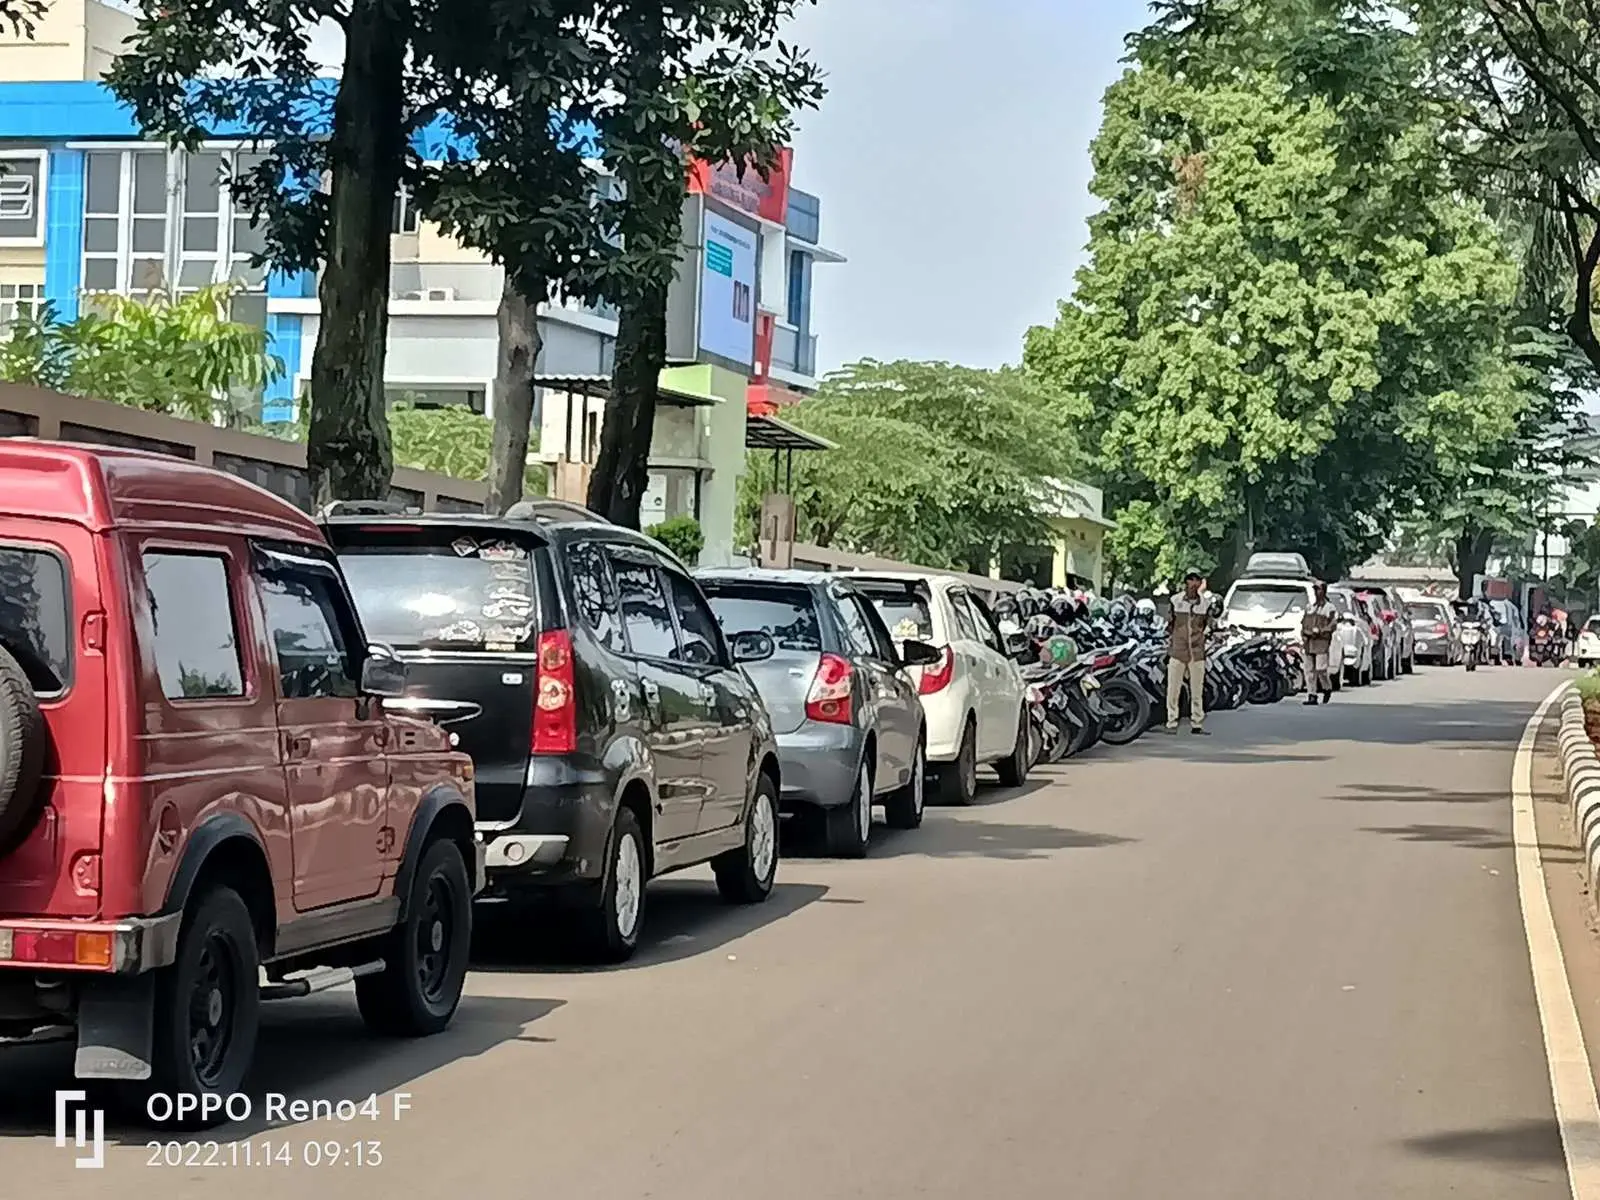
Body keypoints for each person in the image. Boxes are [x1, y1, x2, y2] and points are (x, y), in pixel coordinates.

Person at [1165, 568, 1212, 735]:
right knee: (1173, 690)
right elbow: (1170, 624)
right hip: (1178, 650)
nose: (1192, 583)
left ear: (1200, 583)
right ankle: (1171, 722)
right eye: (1190, 580)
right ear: (1186, 582)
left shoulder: (1205, 604)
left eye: (1196, 580)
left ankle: (1197, 723)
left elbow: (1205, 625)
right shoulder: (1175, 600)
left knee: (1197, 690)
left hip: (1197, 651)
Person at [1300, 580, 1338, 705]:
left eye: (1319, 589)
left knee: (1321, 669)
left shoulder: (1329, 608)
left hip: (1321, 643)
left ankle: (1327, 688)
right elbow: (1304, 623)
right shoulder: (1310, 607)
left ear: (1324, 591)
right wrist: (1305, 633)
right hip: (1309, 643)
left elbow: (1333, 624)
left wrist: (1321, 631)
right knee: (1309, 671)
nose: (1317, 592)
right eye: (1315, 589)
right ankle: (1312, 695)